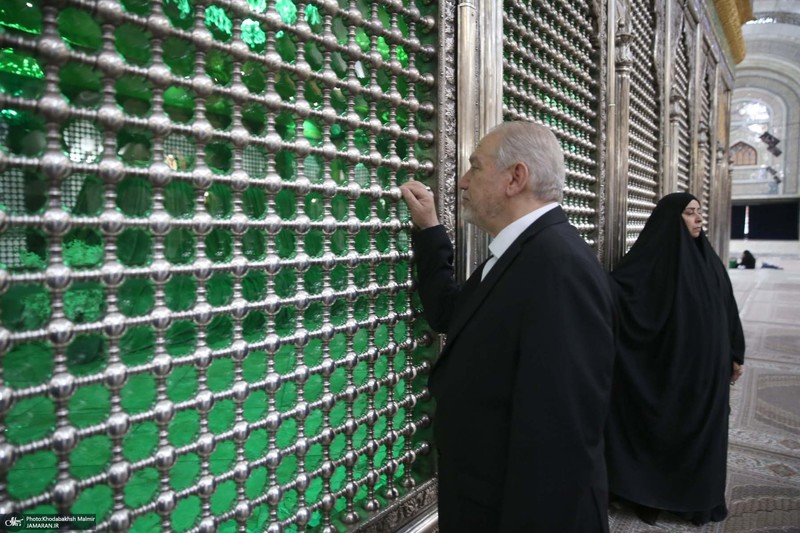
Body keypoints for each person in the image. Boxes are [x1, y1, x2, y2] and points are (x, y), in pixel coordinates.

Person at [399, 121, 615, 532]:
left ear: (515, 178)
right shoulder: (524, 252)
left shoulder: (560, 268)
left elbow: (560, 436)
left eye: (476, 167)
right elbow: (452, 315)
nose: (463, 182)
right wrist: (430, 231)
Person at [605, 192, 745, 526]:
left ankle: (694, 500)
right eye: (689, 213)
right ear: (670, 220)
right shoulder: (652, 262)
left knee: (700, 436)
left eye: (699, 212)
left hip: (707, 373)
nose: (698, 219)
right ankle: (647, 495)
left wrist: (736, 352)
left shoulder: (708, 259)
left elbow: (728, 307)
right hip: (667, 370)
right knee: (664, 428)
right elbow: (621, 296)